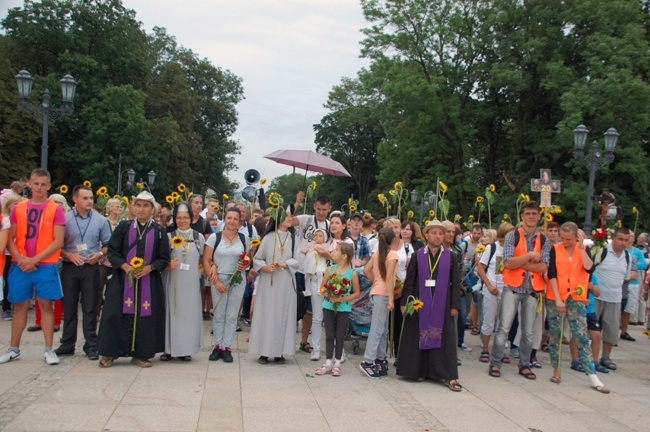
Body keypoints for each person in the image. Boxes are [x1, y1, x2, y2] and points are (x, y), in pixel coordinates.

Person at [97, 191, 170, 368]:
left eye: (146, 205)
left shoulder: (159, 231)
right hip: (123, 280)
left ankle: (141, 354)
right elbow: (113, 251)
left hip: (148, 281)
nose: (142, 209)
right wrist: (126, 267)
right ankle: (110, 353)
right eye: (138, 205)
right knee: (115, 314)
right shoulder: (123, 227)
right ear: (133, 207)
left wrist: (149, 268)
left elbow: (164, 258)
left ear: (153, 208)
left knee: (146, 318)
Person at [1, 169, 65, 365]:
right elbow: (9, 237)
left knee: (46, 305)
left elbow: (58, 241)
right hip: (21, 264)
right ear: (29, 184)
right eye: (36, 183)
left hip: (45, 264)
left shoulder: (56, 209)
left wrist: (34, 259)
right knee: (19, 306)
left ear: (49, 186)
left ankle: (48, 349)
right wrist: (21, 259)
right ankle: (14, 348)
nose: (39, 187)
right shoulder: (18, 209)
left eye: (43, 184)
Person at [396, 220, 462, 391]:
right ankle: (418, 370)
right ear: (426, 235)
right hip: (420, 301)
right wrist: (405, 302)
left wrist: (455, 305)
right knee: (417, 334)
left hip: (443, 303)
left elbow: (456, 283)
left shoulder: (451, 256)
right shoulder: (418, 255)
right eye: (434, 233)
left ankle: (447, 374)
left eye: (441, 233)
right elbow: (410, 280)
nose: (438, 236)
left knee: (444, 338)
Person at [489, 200, 551, 380]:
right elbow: (508, 263)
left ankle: (524, 364)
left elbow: (543, 267)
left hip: (532, 289)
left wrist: (521, 263)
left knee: (528, 332)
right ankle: (496, 362)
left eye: (534, 214)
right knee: (503, 328)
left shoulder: (544, 239)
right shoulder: (512, 236)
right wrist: (530, 256)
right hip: (513, 288)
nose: (531, 217)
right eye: (528, 214)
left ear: (539, 216)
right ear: (522, 216)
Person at [546, 222, 609, 393]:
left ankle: (592, 375)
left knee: (581, 335)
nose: (564, 241)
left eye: (568, 239)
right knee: (555, 334)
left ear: (576, 237)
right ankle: (556, 370)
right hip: (556, 297)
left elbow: (589, 269)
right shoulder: (555, 249)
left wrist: (581, 248)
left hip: (576, 297)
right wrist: (558, 299)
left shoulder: (583, 250)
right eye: (562, 238)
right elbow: (551, 274)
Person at [55, 185, 111, 360]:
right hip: (70, 266)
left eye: (91, 198)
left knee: (90, 307)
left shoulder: (101, 220)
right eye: (85, 198)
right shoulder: (65, 219)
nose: (89, 201)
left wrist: (100, 254)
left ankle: (91, 345)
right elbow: (56, 244)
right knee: (69, 306)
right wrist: (69, 255)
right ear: (75, 199)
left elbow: (110, 244)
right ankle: (67, 344)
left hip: (90, 267)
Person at [248, 206, 298, 364]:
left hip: (285, 283)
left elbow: (297, 259)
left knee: (283, 316)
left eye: (291, 216)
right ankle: (264, 352)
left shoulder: (294, 238)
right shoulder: (268, 237)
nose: (290, 219)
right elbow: (257, 258)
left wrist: (284, 264)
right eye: (287, 216)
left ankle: (279, 352)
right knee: (266, 315)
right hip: (268, 283)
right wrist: (264, 267)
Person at [204, 206, 250, 363]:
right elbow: (206, 259)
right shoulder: (214, 238)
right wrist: (215, 281)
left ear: (239, 221)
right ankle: (217, 345)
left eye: (235, 219)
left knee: (231, 315)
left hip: (237, 279)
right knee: (219, 313)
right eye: (229, 218)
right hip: (220, 279)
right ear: (225, 219)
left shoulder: (244, 239)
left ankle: (227, 347)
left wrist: (243, 266)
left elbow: (247, 259)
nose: (232, 221)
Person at [161, 202, 205, 361]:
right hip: (173, 282)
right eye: (178, 217)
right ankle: (168, 349)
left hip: (191, 284)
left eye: (185, 217)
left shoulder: (197, 237)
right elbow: (160, 260)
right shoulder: (168, 237)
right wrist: (167, 265)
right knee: (172, 312)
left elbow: (204, 259)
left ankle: (186, 348)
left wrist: (204, 269)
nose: (182, 221)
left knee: (188, 314)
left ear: (191, 218)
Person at [314, 242, 360, 377]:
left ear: (344, 256)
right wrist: (330, 294)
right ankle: (328, 362)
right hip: (328, 305)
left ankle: (337, 363)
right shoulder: (330, 270)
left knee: (340, 336)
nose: (332, 252)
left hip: (343, 308)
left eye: (336, 250)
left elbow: (356, 293)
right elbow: (322, 288)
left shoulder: (352, 273)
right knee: (329, 335)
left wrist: (342, 299)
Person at [293, 194, 331, 355]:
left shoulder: (330, 225)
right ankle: (287, 338)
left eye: (324, 209)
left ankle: (304, 341)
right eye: (318, 209)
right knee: (295, 306)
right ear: (314, 206)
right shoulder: (306, 219)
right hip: (300, 269)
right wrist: (297, 202)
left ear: (329, 209)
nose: (321, 212)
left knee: (310, 309)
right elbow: (289, 219)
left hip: (317, 273)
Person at [592, 228, 633, 371]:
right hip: (597, 297)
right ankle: (590, 356)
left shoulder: (627, 256)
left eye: (626, 240)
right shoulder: (601, 251)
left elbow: (626, 277)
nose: (622, 243)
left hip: (615, 298)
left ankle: (606, 357)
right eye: (620, 239)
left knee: (611, 329)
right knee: (591, 328)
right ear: (613, 238)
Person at [359, 227, 397, 378]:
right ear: (393, 240)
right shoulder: (392, 254)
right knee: (377, 329)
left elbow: (365, 270)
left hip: (377, 292)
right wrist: (392, 298)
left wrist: (375, 281)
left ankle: (380, 358)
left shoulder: (378, 254)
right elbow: (389, 278)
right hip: (384, 294)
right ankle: (367, 361)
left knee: (382, 329)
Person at [27, 193, 68, 333]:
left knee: (56, 294)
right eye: (53, 201)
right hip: (43, 259)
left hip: (60, 259)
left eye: (59, 202)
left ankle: (56, 321)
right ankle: (39, 321)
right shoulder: (42, 218)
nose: (56, 204)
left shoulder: (66, 218)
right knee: (40, 293)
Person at [477, 222, 514, 363]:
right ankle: (485, 348)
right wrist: (489, 285)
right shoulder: (491, 248)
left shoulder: (515, 249)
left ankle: (499, 350)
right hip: (492, 289)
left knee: (504, 323)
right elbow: (481, 268)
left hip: (508, 290)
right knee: (488, 320)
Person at [302, 228, 329, 361]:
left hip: (325, 276)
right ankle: (316, 347)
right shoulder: (312, 247)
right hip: (313, 277)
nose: (317, 237)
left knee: (331, 318)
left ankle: (336, 349)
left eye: (320, 235)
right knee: (317, 317)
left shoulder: (326, 247)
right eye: (316, 235)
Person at [1, 193, 25, 321]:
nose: (18, 206)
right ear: (8, 205)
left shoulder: (23, 219)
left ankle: (18, 306)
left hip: (20, 255)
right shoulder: (4, 219)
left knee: (17, 282)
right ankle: (6, 308)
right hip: (7, 255)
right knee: (7, 282)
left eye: (19, 203)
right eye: (15, 203)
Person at [620, 231, 646, 341]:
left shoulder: (637, 251)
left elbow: (643, 264)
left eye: (631, 236)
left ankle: (624, 331)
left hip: (633, 284)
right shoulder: (622, 251)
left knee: (628, 308)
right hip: (621, 284)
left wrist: (632, 264)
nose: (629, 238)